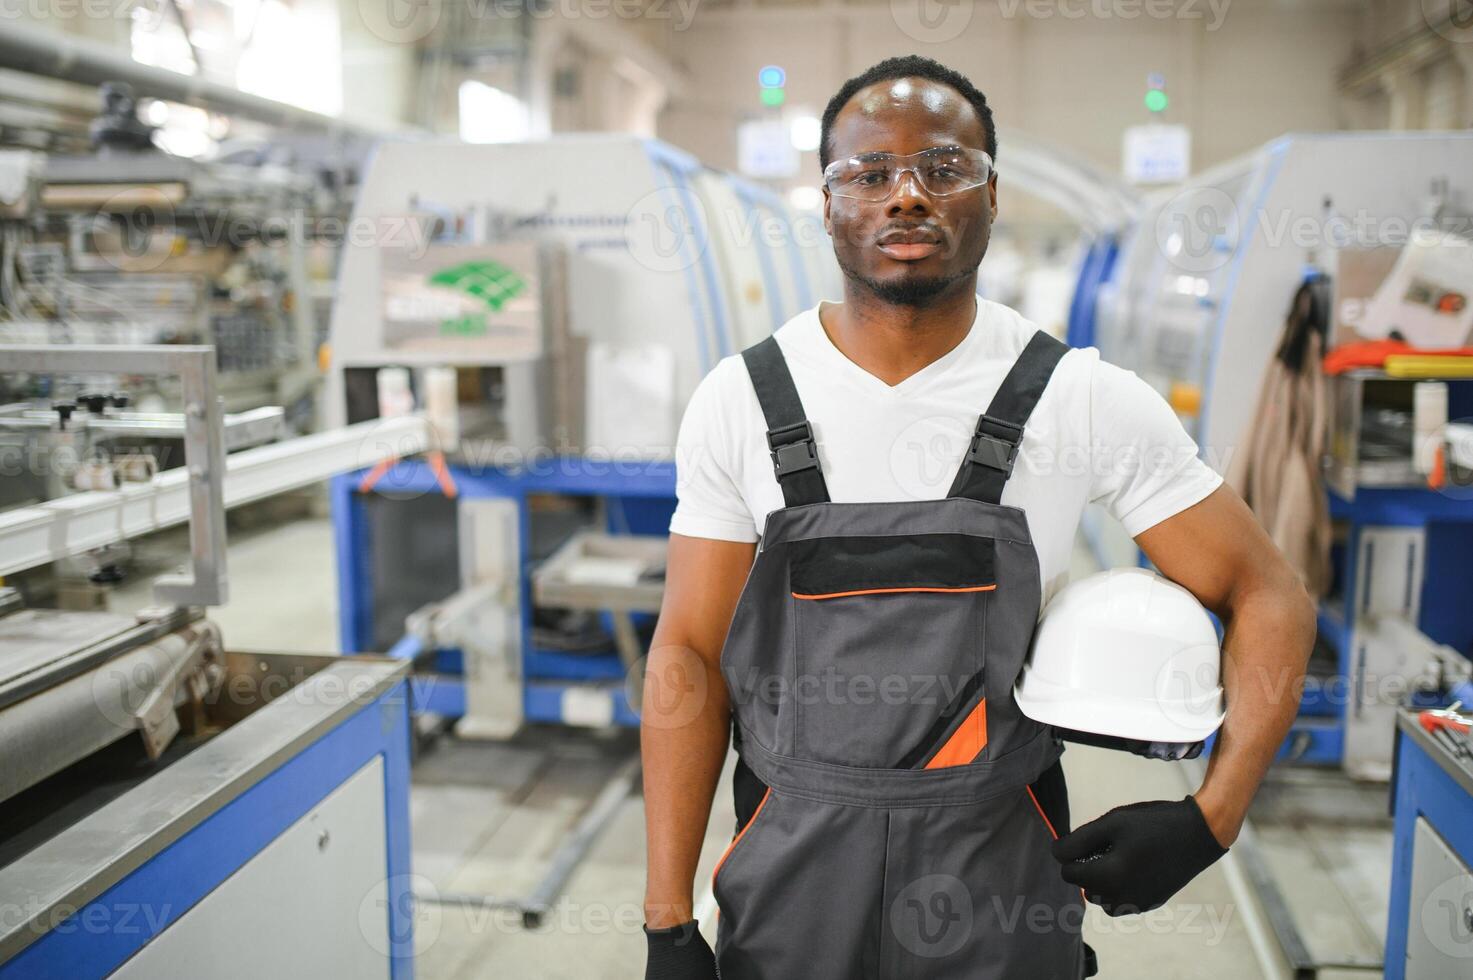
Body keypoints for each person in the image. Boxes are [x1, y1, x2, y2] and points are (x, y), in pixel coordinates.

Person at [640, 54, 1314, 980]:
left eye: (944, 169)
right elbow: (686, 656)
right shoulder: (744, 400)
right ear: (828, 203)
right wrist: (667, 922)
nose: (906, 196)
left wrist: (1212, 816)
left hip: (999, 870)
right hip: (790, 867)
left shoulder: (1077, 398)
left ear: (992, 198)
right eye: (869, 173)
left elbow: (1268, 591)